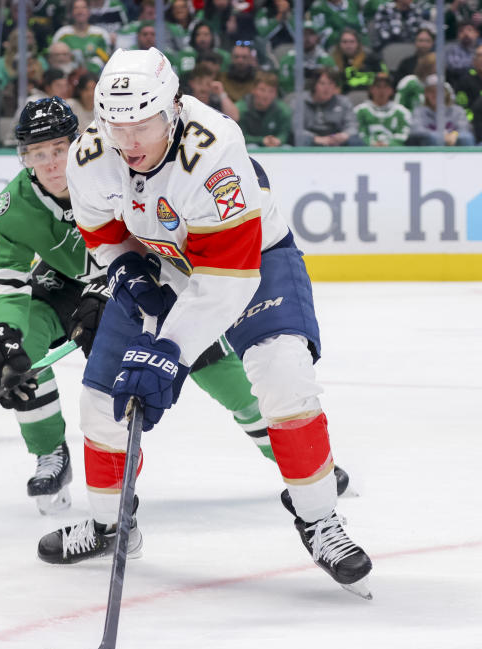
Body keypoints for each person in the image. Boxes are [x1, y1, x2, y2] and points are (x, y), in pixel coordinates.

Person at [39, 47, 371, 597]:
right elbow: (101, 231)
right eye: (118, 126)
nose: (131, 142)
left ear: (172, 109)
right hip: (161, 262)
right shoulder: (92, 152)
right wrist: (126, 274)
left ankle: (319, 519)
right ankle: (108, 525)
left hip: (252, 262)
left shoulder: (214, 148)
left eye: (143, 124)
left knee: (282, 374)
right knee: (101, 404)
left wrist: (166, 350)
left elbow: (224, 283)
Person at [0, 96, 307, 516]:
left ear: (76, 143)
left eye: (59, 149)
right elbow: (4, 277)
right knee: (20, 346)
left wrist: (108, 296)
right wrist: (1, 335)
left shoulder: (110, 171)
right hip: (62, 286)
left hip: (143, 282)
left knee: (221, 374)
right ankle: (49, 453)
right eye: (37, 155)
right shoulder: (14, 206)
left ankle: (295, 462)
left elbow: (147, 244)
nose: (51, 164)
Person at [295, 67, 363, 146]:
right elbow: (296, 129)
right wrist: (316, 139)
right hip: (312, 140)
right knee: (302, 140)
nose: (327, 88)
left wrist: (344, 135)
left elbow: (352, 125)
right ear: (314, 85)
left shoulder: (343, 102)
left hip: (337, 139)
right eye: (322, 83)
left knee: (355, 141)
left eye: (330, 83)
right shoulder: (301, 102)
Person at [409, 74, 476, 145]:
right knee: (431, 139)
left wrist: (455, 134)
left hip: (455, 147)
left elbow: (465, 128)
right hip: (429, 151)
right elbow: (416, 131)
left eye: (439, 91)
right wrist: (441, 136)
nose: (435, 94)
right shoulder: (419, 111)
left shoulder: (457, 110)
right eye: (431, 91)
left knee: (466, 138)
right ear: (426, 94)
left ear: (446, 93)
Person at [51, 0, 112, 72]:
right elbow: (53, 60)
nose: (80, 11)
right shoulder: (62, 34)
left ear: (89, 11)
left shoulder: (100, 34)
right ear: (71, 12)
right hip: (68, 77)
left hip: (95, 77)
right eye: (76, 8)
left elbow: (107, 60)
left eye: (84, 7)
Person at [354, 71, 411, 145]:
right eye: (378, 86)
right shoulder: (359, 111)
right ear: (371, 89)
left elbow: (404, 135)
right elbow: (358, 134)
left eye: (386, 87)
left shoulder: (402, 112)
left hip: (395, 154)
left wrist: (388, 144)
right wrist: (372, 143)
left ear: (391, 90)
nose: (382, 91)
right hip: (365, 154)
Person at [237, 70, 292, 147]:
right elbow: (239, 136)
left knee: (286, 147)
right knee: (252, 147)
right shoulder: (240, 109)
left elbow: (285, 134)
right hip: (248, 151)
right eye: (262, 90)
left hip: (275, 148)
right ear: (253, 90)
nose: (266, 95)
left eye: (271, 91)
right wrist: (262, 140)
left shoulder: (283, 110)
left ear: (276, 93)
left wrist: (279, 140)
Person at [331, 28, 388, 92]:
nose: (348, 45)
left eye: (352, 42)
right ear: (339, 44)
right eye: (345, 42)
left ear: (358, 44)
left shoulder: (372, 58)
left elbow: (384, 77)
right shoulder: (333, 61)